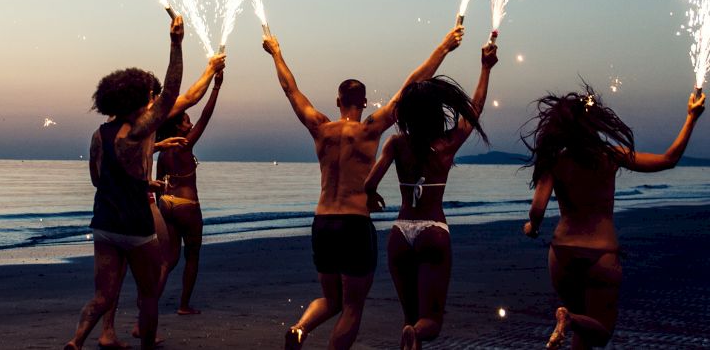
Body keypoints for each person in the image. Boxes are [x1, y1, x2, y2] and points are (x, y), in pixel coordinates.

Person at [263, 19, 465, 350]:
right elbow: (411, 85)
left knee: (331, 299)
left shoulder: (320, 127)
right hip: (354, 223)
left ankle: (299, 329)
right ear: (365, 102)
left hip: (323, 221)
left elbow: (291, 89)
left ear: (338, 100)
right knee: (353, 306)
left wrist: (276, 53)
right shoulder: (371, 130)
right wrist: (444, 47)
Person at [66, 9, 225, 350]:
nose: (153, 101)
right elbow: (177, 93)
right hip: (136, 225)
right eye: (147, 98)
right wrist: (178, 45)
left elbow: (97, 179)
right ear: (139, 100)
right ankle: (147, 344)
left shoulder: (100, 134)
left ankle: (78, 340)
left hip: (104, 223)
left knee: (102, 294)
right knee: (149, 292)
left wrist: (144, 176)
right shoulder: (141, 128)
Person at [523, 85, 705, 349]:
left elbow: (537, 208)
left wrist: (532, 227)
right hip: (601, 253)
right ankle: (568, 319)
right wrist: (691, 118)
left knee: (584, 332)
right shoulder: (611, 155)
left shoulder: (555, 160)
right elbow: (668, 159)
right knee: (600, 332)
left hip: (562, 253)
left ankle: (571, 319)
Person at [361, 37, 497, 350]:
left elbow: (369, 184)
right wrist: (485, 68)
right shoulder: (447, 144)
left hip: (400, 232)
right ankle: (416, 335)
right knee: (430, 324)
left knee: (410, 317)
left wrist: (371, 198)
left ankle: (411, 333)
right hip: (432, 231)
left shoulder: (396, 143)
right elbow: (474, 109)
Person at [154, 70, 223, 315]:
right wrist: (216, 88)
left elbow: (157, 184)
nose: (191, 124)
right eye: (186, 121)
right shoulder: (184, 144)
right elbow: (206, 117)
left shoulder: (161, 152)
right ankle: (183, 305)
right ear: (178, 126)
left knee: (169, 259)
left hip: (166, 205)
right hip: (186, 206)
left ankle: (150, 301)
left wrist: (156, 209)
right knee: (192, 256)